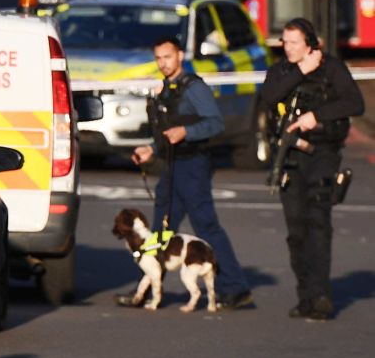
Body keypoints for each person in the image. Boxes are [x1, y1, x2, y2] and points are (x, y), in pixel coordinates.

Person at [118, 37, 252, 310]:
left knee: (206, 227)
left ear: (180, 55)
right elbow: (168, 133)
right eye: (158, 58)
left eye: (167, 57)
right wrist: (151, 149)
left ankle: (235, 288)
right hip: (172, 165)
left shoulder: (193, 88)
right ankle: (146, 288)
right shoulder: (167, 88)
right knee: (160, 232)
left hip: (193, 166)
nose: (163, 63)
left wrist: (187, 132)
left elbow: (215, 123)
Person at [261, 18, 364, 320]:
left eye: (294, 42)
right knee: (297, 229)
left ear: (310, 44)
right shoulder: (282, 70)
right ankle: (305, 294)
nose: (288, 47)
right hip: (290, 155)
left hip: (322, 152)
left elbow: (355, 103)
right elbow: (269, 96)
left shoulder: (331, 68)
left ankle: (320, 295)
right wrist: (300, 72)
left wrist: (316, 116)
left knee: (318, 219)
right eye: (285, 42)